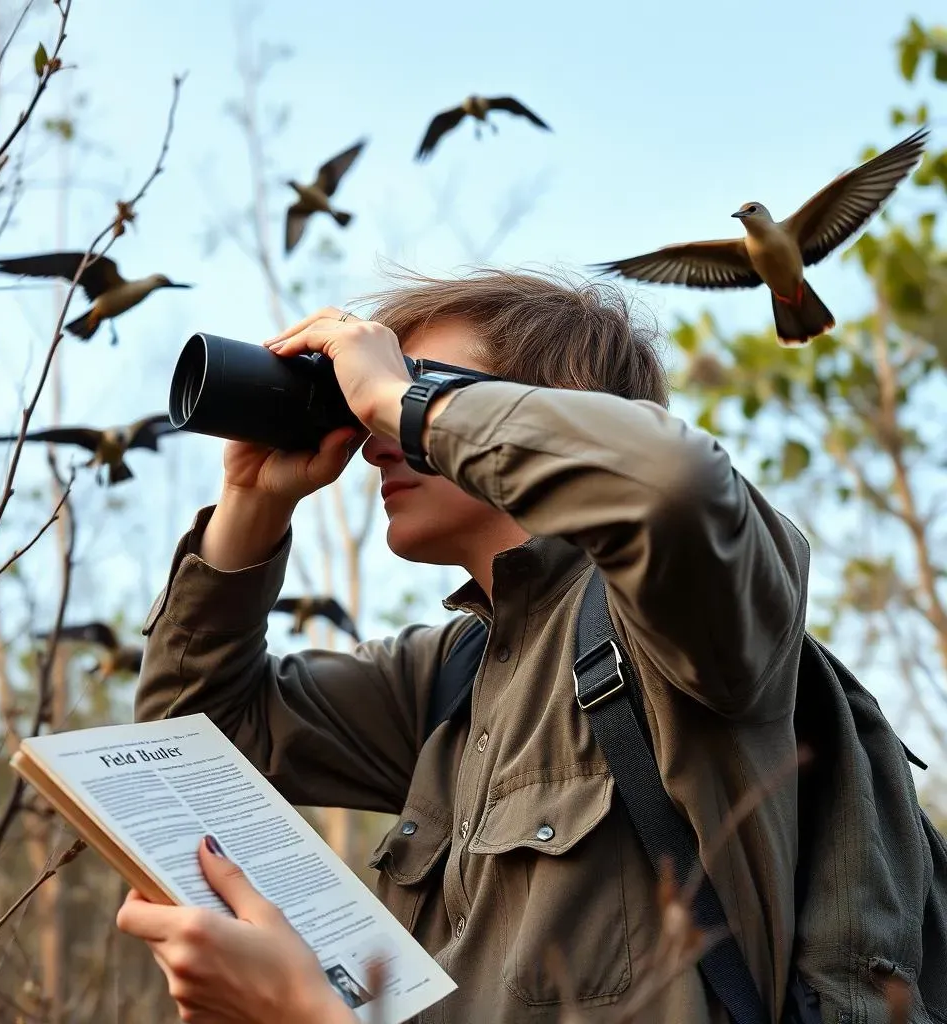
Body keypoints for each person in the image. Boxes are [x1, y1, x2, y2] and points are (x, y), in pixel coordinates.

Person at [118, 269, 810, 1023]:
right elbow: (186, 754)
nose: (375, 437)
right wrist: (253, 503)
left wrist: (401, 402)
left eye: (414, 382)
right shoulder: (451, 676)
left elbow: (673, 480)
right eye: (364, 401)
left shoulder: (683, 613)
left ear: (555, 414)